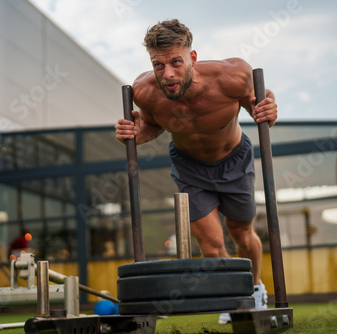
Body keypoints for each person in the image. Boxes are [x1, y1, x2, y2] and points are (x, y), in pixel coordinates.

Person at [115, 19, 277, 323]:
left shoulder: (232, 75)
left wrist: (270, 108)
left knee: (241, 234)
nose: (168, 74)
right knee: (214, 250)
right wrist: (137, 132)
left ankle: (255, 287)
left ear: (192, 57)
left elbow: (262, 100)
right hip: (189, 167)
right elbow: (152, 126)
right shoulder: (145, 91)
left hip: (234, 159)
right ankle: (237, 301)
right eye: (158, 65)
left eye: (176, 62)